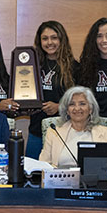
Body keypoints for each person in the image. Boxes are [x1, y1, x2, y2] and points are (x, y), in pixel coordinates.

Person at [25, 20, 78, 158]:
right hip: (36, 131)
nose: (50, 42)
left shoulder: (74, 67)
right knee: (31, 173)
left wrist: (59, 106)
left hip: (64, 132)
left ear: (62, 40)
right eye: (45, 38)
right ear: (39, 41)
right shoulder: (32, 65)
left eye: (54, 38)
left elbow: (81, 100)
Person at [40, 86, 107, 168]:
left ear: (90, 109)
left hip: (94, 180)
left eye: (82, 104)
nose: (77, 108)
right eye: (72, 104)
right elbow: (44, 165)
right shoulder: (54, 133)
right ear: (67, 110)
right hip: (62, 179)